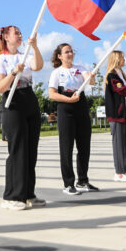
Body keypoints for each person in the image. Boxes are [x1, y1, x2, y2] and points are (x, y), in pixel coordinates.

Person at [0, 25, 44, 211]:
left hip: (29, 98)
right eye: (16, 33)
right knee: (18, 150)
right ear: (6, 36)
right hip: (12, 103)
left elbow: (38, 66)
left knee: (31, 150)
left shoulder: (26, 54)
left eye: (21, 32)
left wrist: (35, 47)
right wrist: (14, 72)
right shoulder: (1, 60)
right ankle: (11, 196)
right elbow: (0, 87)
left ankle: (28, 193)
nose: (20, 35)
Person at [47, 43, 98, 195]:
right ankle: (68, 183)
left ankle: (83, 180)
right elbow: (52, 94)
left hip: (81, 106)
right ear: (60, 56)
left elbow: (91, 82)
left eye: (71, 51)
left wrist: (92, 77)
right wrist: (68, 100)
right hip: (65, 108)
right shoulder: (56, 73)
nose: (70, 54)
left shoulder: (80, 68)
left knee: (84, 146)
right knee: (66, 147)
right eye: (66, 52)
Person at [104, 50, 126, 182]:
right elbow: (121, 91)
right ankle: (119, 172)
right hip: (117, 115)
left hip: (125, 114)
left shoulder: (120, 75)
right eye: (122, 57)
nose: (124, 60)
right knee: (119, 144)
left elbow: (124, 94)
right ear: (116, 59)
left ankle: (124, 170)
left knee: (125, 144)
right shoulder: (112, 76)